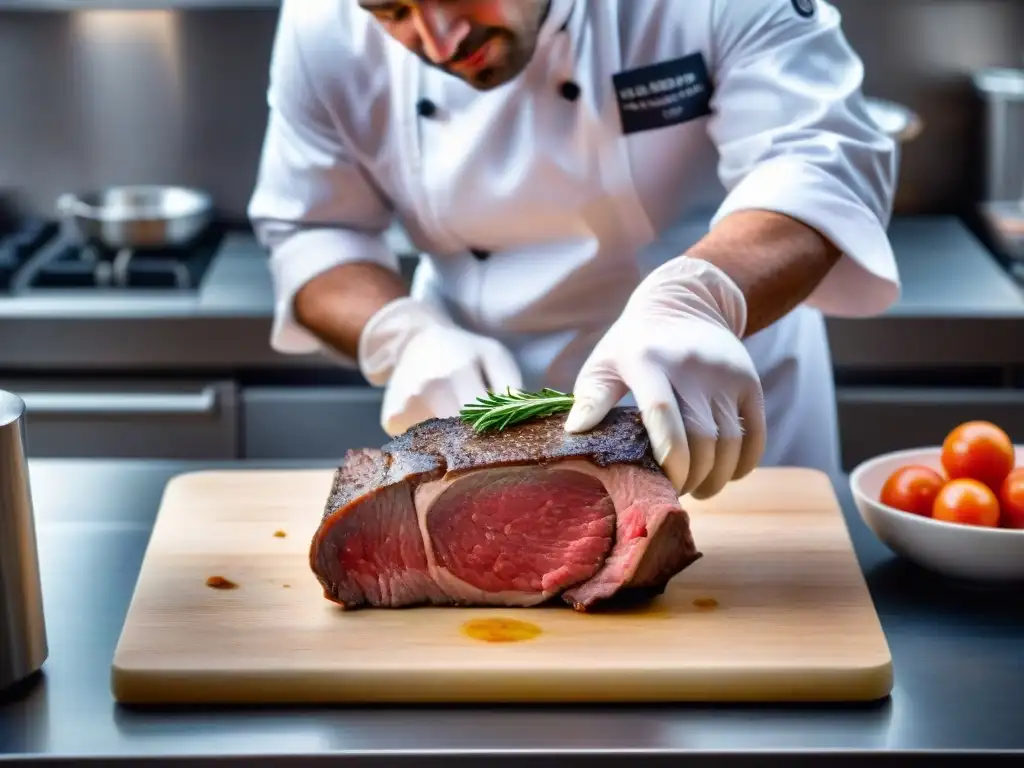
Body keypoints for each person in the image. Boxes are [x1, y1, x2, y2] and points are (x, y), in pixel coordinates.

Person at [248, 0, 901, 500]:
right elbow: (311, 230)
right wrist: (404, 337)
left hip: (721, 402)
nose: (440, 40)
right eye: (393, 11)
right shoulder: (323, 23)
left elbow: (817, 162)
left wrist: (699, 300)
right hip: (481, 416)